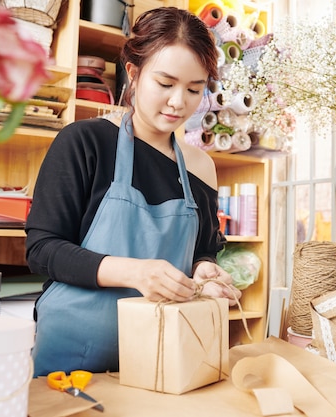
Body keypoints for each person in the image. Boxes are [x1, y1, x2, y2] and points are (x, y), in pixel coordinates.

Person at [26, 7, 241, 377]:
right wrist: (135, 273)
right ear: (134, 74)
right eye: (165, 83)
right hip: (73, 364)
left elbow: (203, 250)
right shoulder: (84, 142)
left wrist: (205, 270)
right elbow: (42, 249)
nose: (178, 102)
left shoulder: (201, 167)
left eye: (194, 89)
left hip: (163, 361)